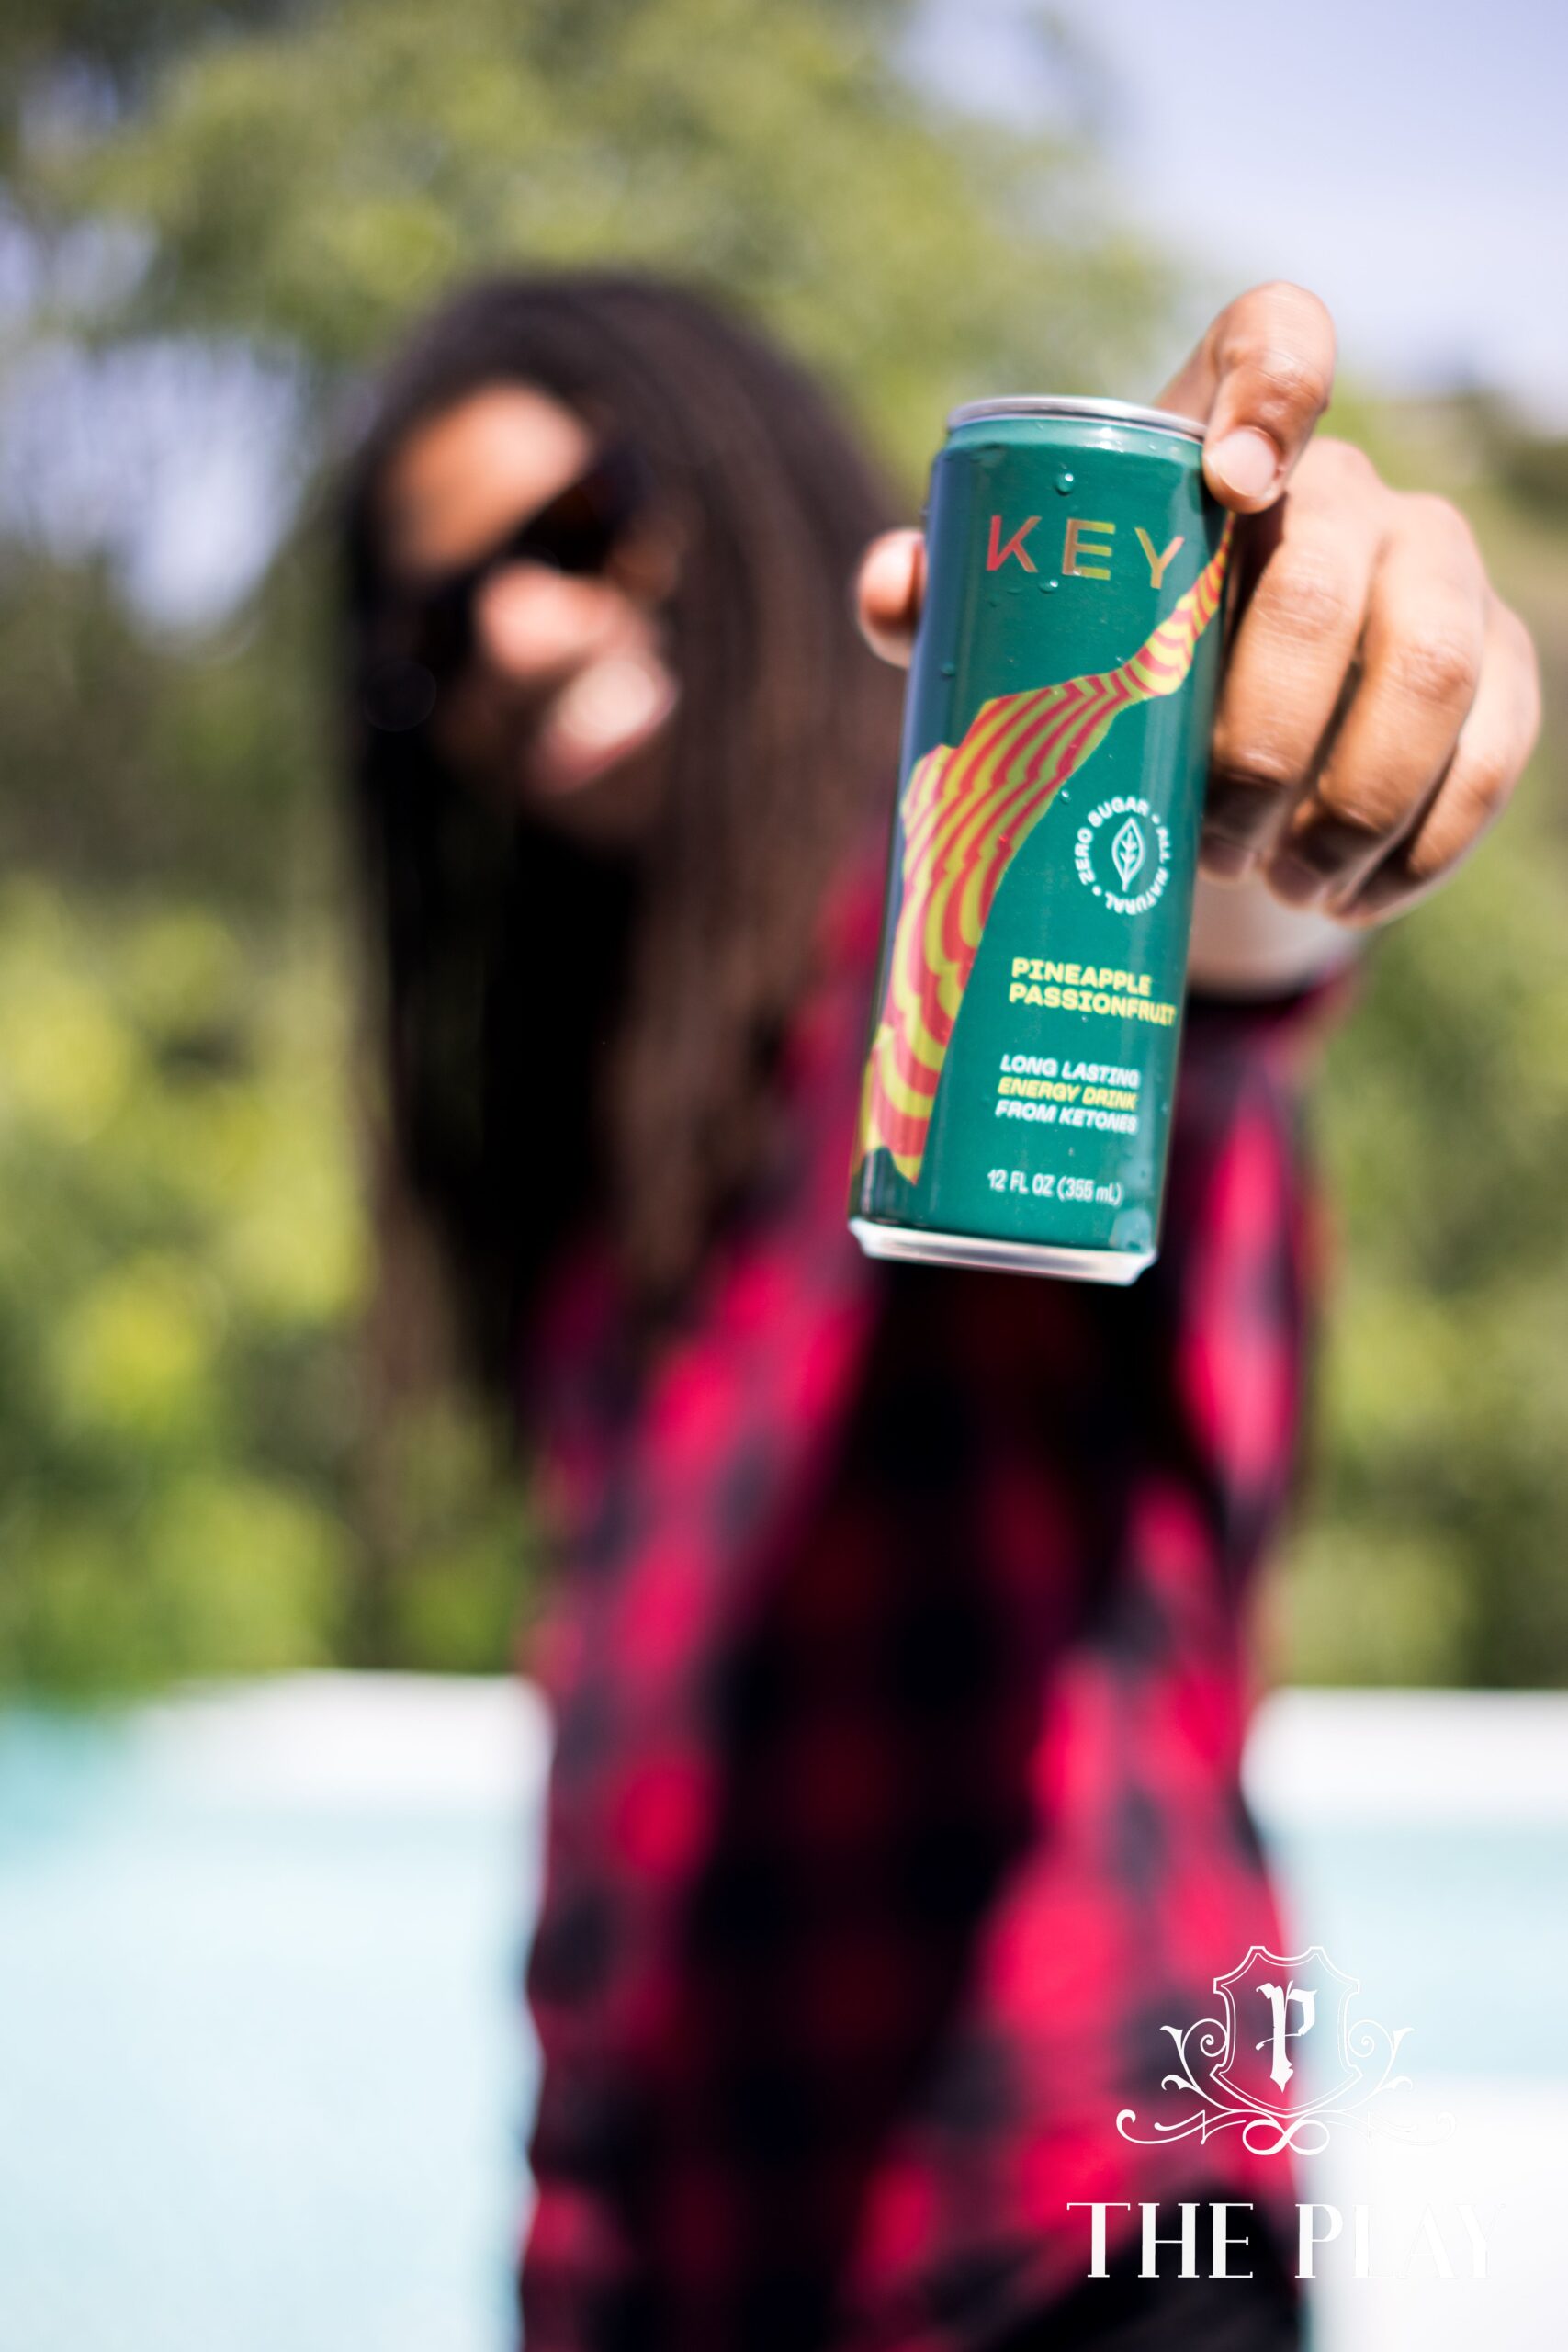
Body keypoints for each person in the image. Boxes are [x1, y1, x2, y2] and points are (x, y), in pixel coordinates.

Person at [337, 274, 1539, 2352]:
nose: (519, 633)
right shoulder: (597, 1153)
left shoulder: (955, 968)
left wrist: (1226, 705)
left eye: (577, 530)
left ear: (730, 496)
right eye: (441, 630)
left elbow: (1222, 966)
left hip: (1071, 2267)